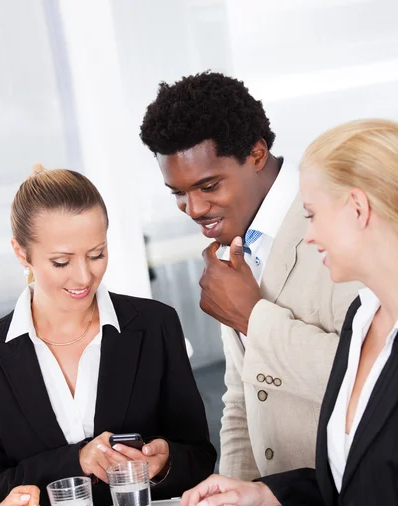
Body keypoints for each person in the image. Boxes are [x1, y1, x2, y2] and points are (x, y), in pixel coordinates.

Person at [177, 119, 398, 506]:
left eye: (313, 215)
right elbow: (368, 479)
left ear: (358, 209)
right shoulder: (364, 317)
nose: (310, 235)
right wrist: (268, 493)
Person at [140, 72, 358, 481]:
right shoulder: (234, 242)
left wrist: (251, 317)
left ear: (257, 154)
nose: (193, 208)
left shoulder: (341, 223)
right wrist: (234, 504)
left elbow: (378, 380)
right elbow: (244, 396)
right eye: (177, 193)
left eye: (208, 185)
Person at [0, 165, 216, 506]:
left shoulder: (156, 325)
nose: (84, 276)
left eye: (96, 254)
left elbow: (199, 457)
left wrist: (165, 463)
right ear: (22, 253)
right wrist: (76, 461)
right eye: (61, 261)